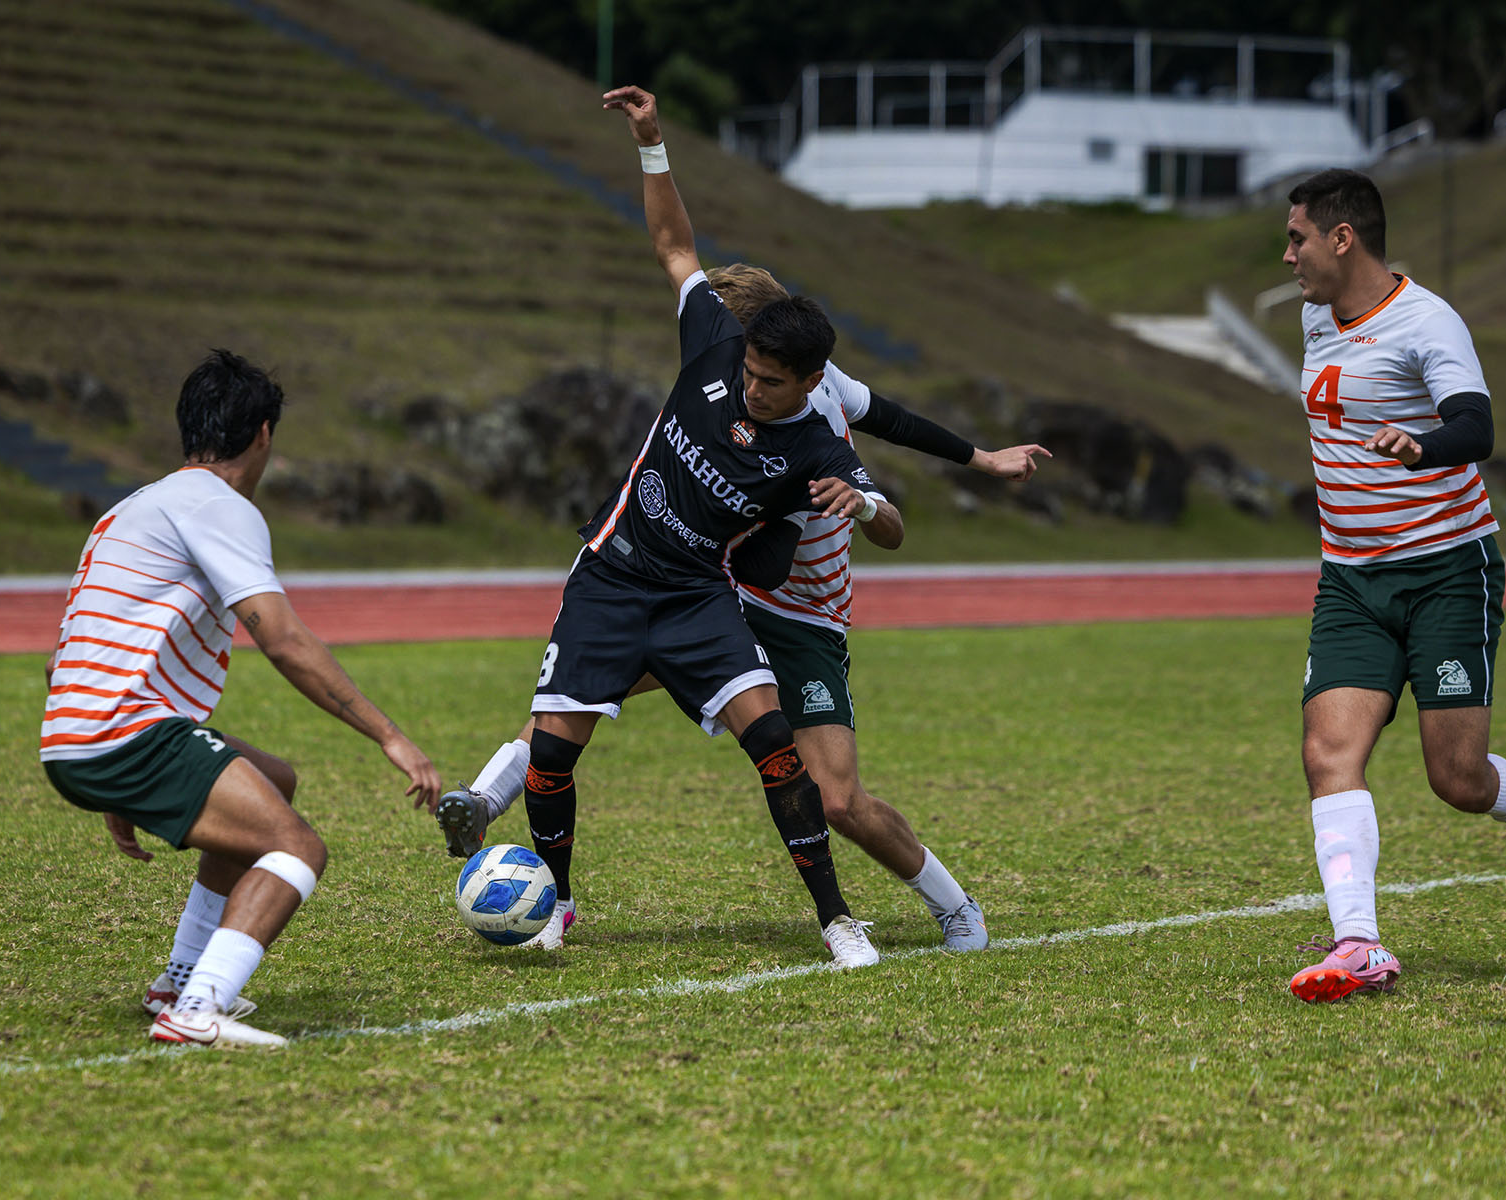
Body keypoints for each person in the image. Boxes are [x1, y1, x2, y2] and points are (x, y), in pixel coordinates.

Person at [439, 262, 1050, 953]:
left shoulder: (821, 411)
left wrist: (968, 466)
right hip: (720, 598)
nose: (740, 378)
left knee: (838, 801)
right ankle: (488, 797)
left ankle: (955, 907)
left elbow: (897, 428)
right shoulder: (740, 388)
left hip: (808, 620)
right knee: (574, 698)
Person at [502, 84, 897, 968]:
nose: (752, 388)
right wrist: (651, 145)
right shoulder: (715, 342)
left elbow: (893, 525)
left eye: (771, 381)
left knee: (773, 742)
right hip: (611, 574)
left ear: (810, 383)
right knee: (553, 752)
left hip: (694, 598)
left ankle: (837, 919)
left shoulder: (817, 449)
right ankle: (557, 902)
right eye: (750, 370)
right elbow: (675, 244)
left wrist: (866, 505)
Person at [39, 349, 442, 1046]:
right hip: (123, 734)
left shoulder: (133, 506)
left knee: (274, 781)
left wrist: (110, 784)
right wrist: (391, 737)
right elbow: (282, 640)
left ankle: (179, 978)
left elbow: (60, 662)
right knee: (294, 848)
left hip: (76, 735)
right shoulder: (219, 507)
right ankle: (198, 1009)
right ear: (262, 434)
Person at [1279, 169, 1506, 1003]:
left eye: (1299, 237)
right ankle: (1359, 944)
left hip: (1449, 571)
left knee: (1457, 779)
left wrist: (1421, 444)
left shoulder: (1427, 320)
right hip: (1350, 579)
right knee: (1327, 753)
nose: (1288, 254)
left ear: (1344, 238)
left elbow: (1477, 426)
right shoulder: (1314, 316)